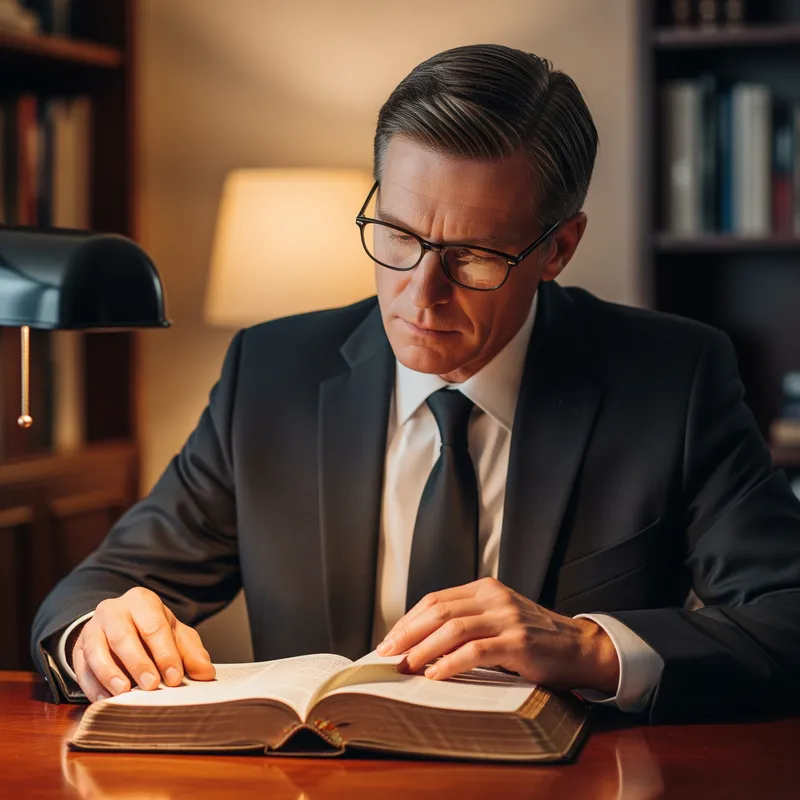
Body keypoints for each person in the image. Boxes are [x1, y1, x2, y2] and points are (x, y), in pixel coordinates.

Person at [32, 44, 800, 722]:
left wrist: (590, 646)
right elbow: (94, 590)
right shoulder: (270, 373)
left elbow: (787, 620)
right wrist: (98, 631)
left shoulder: (673, 378)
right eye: (397, 236)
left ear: (560, 247)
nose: (420, 295)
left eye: (473, 256)